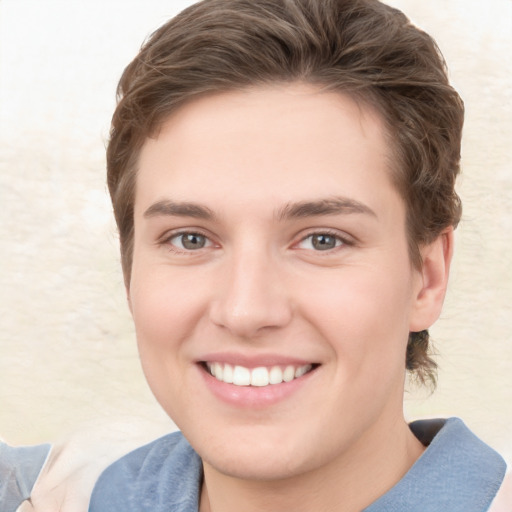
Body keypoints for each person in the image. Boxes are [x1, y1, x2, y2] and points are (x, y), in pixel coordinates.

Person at [87, 0, 509, 510]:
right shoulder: (44, 494)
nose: (246, 311)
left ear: (428, 278)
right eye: (190, 239)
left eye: (322, 240)